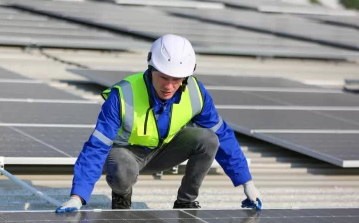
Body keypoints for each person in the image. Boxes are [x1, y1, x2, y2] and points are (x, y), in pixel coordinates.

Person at [56, 34, 262, 213]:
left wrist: (247, 182)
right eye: (164, 77)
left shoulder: (195, 93)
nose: (169, 86)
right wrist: (78, 196)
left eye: (177, 79)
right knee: (123, 168)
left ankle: (185, 202)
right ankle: (122, 195)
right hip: (125, 156)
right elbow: (97, 146)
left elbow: (224, 135)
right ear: (150, 67)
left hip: (163, 151)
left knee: (209, 139)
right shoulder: (123, 95)